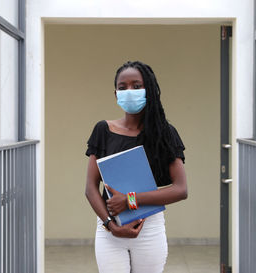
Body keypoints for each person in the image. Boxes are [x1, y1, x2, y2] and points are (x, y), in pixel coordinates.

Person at [85, 61, 188, 273]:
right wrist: (109, 224)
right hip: (110, 226)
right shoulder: (103, 130)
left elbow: (181, 189)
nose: (129, 91)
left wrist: (129, 200)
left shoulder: (165, 133)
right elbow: (90, 188)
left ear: (148, 90)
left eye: (136, 86)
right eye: (122, 88)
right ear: (115, 94)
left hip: (148, 227)